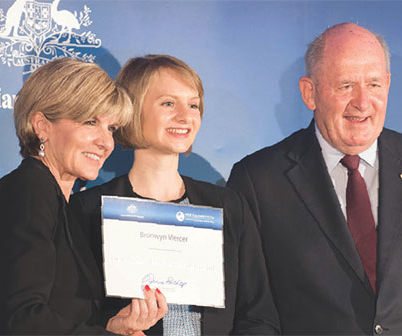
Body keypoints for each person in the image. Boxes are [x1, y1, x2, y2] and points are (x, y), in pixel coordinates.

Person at [226, 23, 402, 335]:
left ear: (387, 84)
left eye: (373, 84)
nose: (362, 102)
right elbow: (253, 317)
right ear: (310, 92)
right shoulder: (258, 181)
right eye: (345, 86)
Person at [69, 54, 280, 335]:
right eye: (168, 103)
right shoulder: (88, 210)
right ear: (131, 111)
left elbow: (259, 317)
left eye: (193, 105)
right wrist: (113, 329)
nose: (185, 116)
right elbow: (72, 319)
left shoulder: (229, 208)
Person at [0, 57, 168, 334]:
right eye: (90, 122)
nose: (106, 142)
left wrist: (112, 326)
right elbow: (23, 320)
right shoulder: (29, 189)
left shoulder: (61, 203)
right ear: (42, 125)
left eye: (111, 128)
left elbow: (59, 312)